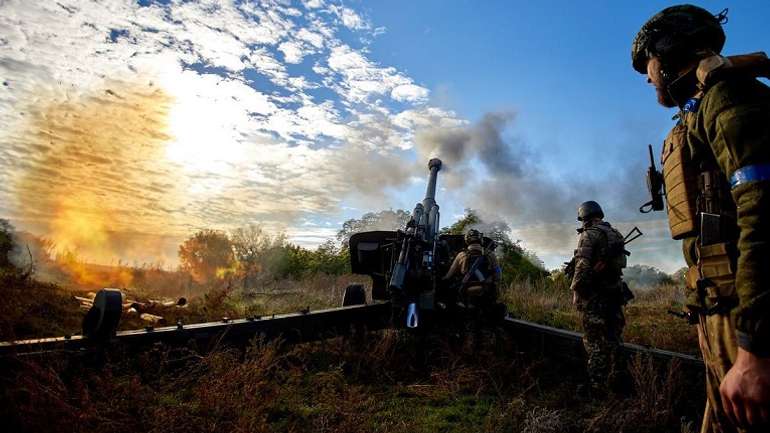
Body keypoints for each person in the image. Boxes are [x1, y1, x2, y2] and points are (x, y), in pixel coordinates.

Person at [632, 5, 770, 431]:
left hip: (744, 320)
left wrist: (755, 348)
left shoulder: (727, 97)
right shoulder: (694, 114)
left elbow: (761, 209)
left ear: (669, 51)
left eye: (648, 65)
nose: (647, 76)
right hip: (718, 311)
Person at [569, 201, 628, 397]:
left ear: (585, 217)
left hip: (596, 296)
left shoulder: (589, 234)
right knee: (614, 339)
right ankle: (618, 380)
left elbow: (582, 266)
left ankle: (597, 387)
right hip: (615, 292)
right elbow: (621, 264)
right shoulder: (615, 234)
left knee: (594, 343)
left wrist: (576, 291)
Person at [443, 229, 500, 307]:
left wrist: (443, 279)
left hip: (465, 289)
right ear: (480, 239)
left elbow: (449, 275)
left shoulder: (461, 255)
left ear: (467, 240)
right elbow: (497, 271)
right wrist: (495, 282)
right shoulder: (490, 254)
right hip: (486, 289)